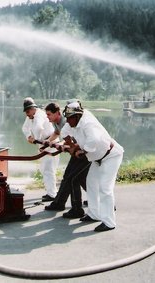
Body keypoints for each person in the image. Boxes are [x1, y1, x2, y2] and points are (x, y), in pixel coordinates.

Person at [62, 101, 124, 232]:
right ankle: (94, 214)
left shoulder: (87, 123)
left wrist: (80, 150)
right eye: (66, 118)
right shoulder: (73, 122)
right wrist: (71, 144)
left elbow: (93, 142)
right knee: (91, 182)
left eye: (69, 118)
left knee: (105, 188)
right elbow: (64, 132)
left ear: (77, 116)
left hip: (111, 156)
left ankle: (109, 222)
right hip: (97, 158)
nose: (67, 121)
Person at [43, 101, 91, 219]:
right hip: (75, 152)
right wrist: (48, 141)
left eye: (49, 114)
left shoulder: (66, 122)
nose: (47, 117)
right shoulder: (56, 123)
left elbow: (71, 139)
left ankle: (78, 207)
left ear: (57, 113)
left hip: (82, 152)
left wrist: (60, 144)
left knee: (73, 178)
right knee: (72, 178)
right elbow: (57, 133)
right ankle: (59, 203)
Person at [21, 97, 59, 202]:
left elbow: (38, 128)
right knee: (44, 169)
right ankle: (50, 192)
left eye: (28, 111)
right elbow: (24, 128)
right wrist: (29, 137)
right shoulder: (30, 116)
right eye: (26, 111)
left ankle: (53, 194)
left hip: (50, 143)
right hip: (42, 144)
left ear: (33, 108)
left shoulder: (39, 115)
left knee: (49, 170)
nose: (27, 114)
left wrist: (36, 139)